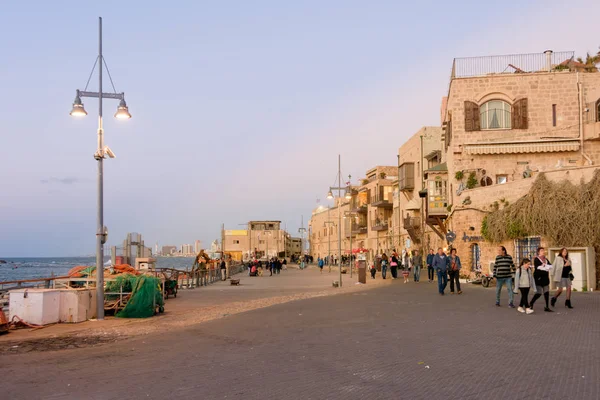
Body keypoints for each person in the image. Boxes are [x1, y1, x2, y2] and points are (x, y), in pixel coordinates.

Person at [531, 247, 553, 312]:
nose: (543, 251)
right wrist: (545, 267)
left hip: (545, 277)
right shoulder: (536, 259)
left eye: (543, 250)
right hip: (539, 278)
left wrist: (545, 266)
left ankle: (547, 306)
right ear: (538, 252)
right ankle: (531, 303)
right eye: (541, 251)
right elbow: (538, 268)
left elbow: (550, 266)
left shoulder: (546, 259)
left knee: (546, 292)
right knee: (539, 292)